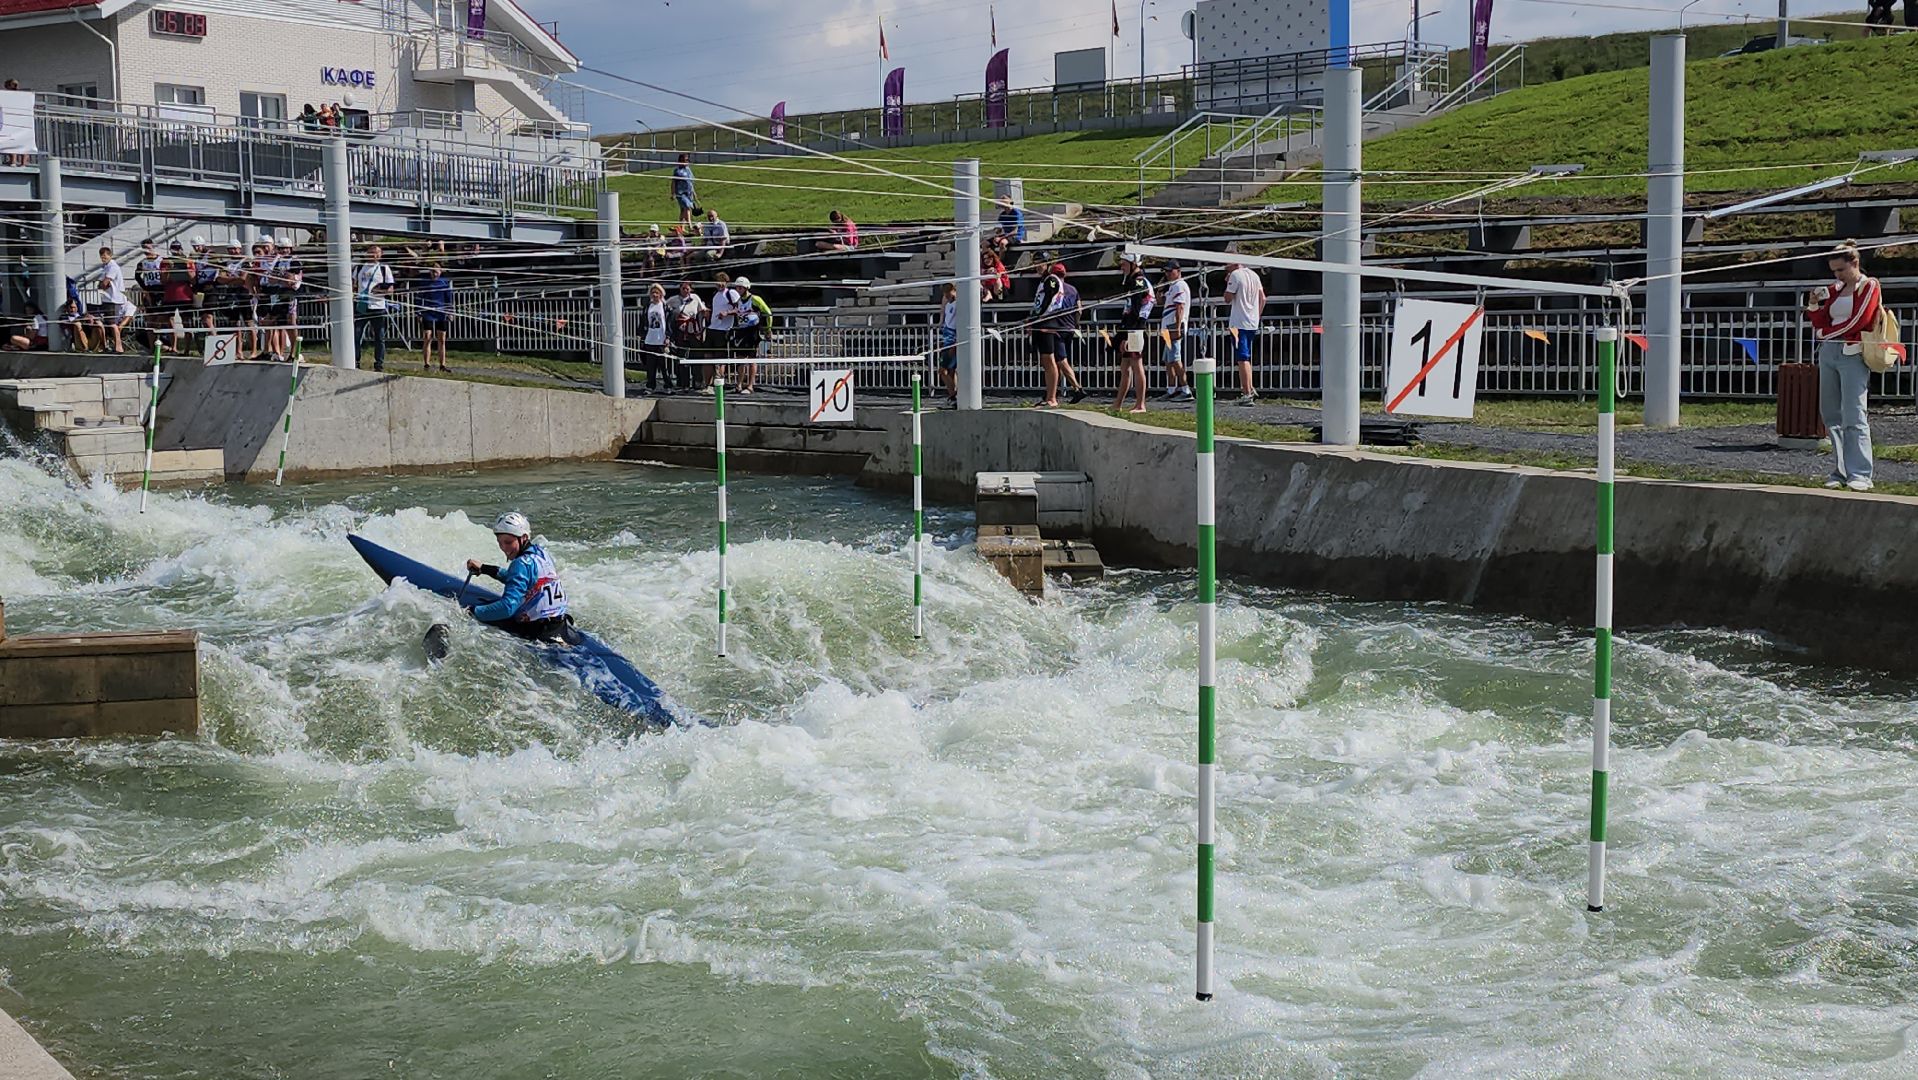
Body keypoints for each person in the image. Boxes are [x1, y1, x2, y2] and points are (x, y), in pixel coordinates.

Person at [1807, 241, 1885, 492]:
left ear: (1855, 263)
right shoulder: (1834, 289)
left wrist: (1825, 333)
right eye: (1834, 271)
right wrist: (1813, 305)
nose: (1838, 275)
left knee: (1855, 413)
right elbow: (1818, 319)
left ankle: (1861, 473)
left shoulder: (1869, 285)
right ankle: (1840, 470)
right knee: (1830, 413)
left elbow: (1859, 320)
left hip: (1852, 352)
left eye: (1841, 269)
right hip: (1829, 352)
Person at [463, 512, 577, 643]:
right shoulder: (541, 553)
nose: (504, 548)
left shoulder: (520, 564)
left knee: (470, 613)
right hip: (560, 625)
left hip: (537, 632)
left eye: (508, 542)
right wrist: (485, 569)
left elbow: (507, 607)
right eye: (500, 543)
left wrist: (471, 611)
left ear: (523, 538)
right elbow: (523, 581)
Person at [1030, 262, 1086, 407]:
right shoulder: (1072, 289)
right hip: (1067, 327)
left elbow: (1049, 301)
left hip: (1054, 326)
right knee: (1057, 360)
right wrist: (1075, 324)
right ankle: (1054, 394)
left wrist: (1040, 316)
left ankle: (1068, 391)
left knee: (1057, 361)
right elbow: (1079, 309)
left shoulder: (1051, 282)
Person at [1111, 253, 1155, 413]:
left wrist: (1126, 335)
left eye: (1124, 264)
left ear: (1132, 263)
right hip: (1130, 328)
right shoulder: (1133, 282)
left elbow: (1135, 312)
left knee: (1137, 366)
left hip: (1135, 329)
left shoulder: (1139, 282)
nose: (1121, 267)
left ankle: (1140, 404)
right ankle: (1118, 404)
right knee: (1125, 368)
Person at [1223, 260, 1265, 405]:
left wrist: (1228, 282)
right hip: (1251, 322)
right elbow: (1263, 298)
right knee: (1246, 356)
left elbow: (1227, 299)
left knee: (1242, 358)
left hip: (1238, 323)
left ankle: (1246, 393)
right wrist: (1256, 316)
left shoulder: (1235, 275)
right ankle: (1250, 387)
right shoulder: (1254, 275)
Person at [353, 243, 395, 372]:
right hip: (362, 305)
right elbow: (354, 285)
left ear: (380, 255)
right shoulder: (359, 267)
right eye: (372, 252)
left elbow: (390, 289)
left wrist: (380, 291)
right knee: (356, 335)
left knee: (379, 336)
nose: (374, 255)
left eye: (377, 252)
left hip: (378, 306)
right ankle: (356, 361)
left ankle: (379, 363)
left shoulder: (384, 268)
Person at [1158, 261, 1192, 401]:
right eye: (1166, 272)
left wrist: (1177, 327)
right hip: (1168, 325)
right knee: (1168, 360)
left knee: (1175, 358)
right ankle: (1171, 388)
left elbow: (1180, 307)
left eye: (1170, 271)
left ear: (1178, 271)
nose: (1167, 274)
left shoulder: (1180, 285)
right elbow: (1161, 302)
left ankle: (1185, 389)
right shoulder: (1172, 286)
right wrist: (1160, 290)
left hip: (1173, 325)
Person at [666, 279, 705, 393]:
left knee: (696, 356)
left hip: (693, 331)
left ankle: (697, 382)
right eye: (683, 288)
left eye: (687, 288)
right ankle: (684, 384)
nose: (685, 290)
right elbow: (665, 305)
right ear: (680, 289)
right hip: (680, 332)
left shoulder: (695, 298)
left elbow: (701, 311)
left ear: (690, 289)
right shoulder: (674, 299)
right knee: (682, 358)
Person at [702, 272, 738, 391]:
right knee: (707, 357)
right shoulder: (715, 294)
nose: (719, 283)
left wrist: (727, 313)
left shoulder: (731, 293)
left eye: (722, 281)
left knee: (720, 359)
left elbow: (740, 308)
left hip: (723, 330)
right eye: (717, 281)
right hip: (712, 328)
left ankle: (719, 385)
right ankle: (708, 385)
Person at [732, 277, 767, 393]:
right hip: (742, 331)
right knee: (740, 359)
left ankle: (750, 386)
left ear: (746, 287)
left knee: (752, 359)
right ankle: (739, 385)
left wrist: (768, 329)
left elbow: (767, 312)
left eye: (740, 287)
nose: (738, 289)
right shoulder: (738, 301)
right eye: (737, 287)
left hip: (753, 331)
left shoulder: (755, 299)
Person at [97, 246, 134, 353]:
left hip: (113, 299)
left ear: (110, 255)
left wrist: (102, 284)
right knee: (110, 323)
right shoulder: (105, 267)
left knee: (112, 323)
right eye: (101, 256)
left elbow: (105, 283)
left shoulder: (113, 267)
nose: (103, 258)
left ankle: (118, 346)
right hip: (108, 298)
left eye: (105, 256)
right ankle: (111, 345)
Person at [418, 263, 452, 372]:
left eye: (436, 271)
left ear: (440, 271)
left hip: (441, 312)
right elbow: (419, 299)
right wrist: (419, 313)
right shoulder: (425, 283)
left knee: (441, 339)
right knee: (427, 337)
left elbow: (449, 299)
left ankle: (442, 365)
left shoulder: (444, 283)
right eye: (432, 271)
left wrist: (450, 312)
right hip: (428, 312)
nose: (434, 273)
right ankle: (426, 364)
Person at [639, 282, 670, 393]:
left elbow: (668, 323)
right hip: (650, 339)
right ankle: (650, 386)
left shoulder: (665, 307)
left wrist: (668, 337)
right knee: (650, 366)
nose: (655, 295)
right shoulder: (648, 307)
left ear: (661, 294)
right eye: (653, 293)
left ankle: (668, 386)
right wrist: (642, 336)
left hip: (661, 340)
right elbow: (643, 322)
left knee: (664, 366)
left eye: (657, 292)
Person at [936, 283, 960, 407]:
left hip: (952, 341)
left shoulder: (958, 305)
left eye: (948, 292)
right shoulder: (948, 304)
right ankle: (953, 396)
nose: (946, 295)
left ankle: (954, 394)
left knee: (943, 370)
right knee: (950, 371)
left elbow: (957, 325)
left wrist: (954, 343)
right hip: (947, 339)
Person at [672, 153, 697, 227]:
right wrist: (673, 193)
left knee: (683, 210)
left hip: (689, 193)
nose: (686, 162)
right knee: (687, 207)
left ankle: (681, 227)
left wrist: (694, 192)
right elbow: (673, 182)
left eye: (687, 160)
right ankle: (690, 225)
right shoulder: (677, 171)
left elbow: (690, 182)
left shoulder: (688, 169)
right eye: (684, 160)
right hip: (680, 193)